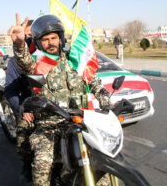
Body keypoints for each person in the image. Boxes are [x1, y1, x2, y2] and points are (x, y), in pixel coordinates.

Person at [8, 14, 110, 186]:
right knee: (43, 163)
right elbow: (24, 63)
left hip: (80, 122)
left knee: (102, 161)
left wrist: (105, 99)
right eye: (45, 39)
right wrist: (19, 44)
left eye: (53, 38)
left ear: (60, 38)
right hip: (49, 125)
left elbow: (94, 81)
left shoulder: (75, 60)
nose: (50, 43)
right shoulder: (37, 63)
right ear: (39, 42)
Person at [4, 18, 34, 182]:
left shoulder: (55, 56)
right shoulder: (15, 62)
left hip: (58, 109)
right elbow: (10, 91)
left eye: (32, 35)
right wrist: (23, 109)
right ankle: (27, 165)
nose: (29, 38)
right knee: (24, 135)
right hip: (30, 109)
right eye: (26, 35)